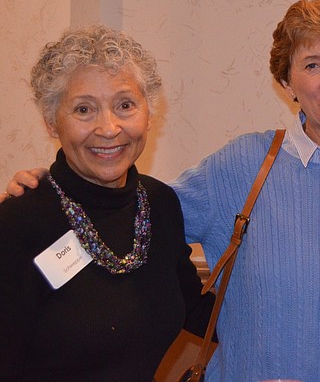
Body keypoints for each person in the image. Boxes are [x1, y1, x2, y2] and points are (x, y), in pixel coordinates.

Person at [4, 0, 320, 382]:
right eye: (312, 64)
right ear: (287, 83)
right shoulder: (244, 164)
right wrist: (41, 194)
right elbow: (115, 210)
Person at [0, 25, 212, 381]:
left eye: (125, 105)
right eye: (84, 109)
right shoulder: (18, 222)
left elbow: (199, 310)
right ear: (53, 122)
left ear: (149, 112)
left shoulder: (160, 204)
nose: (109, 128)